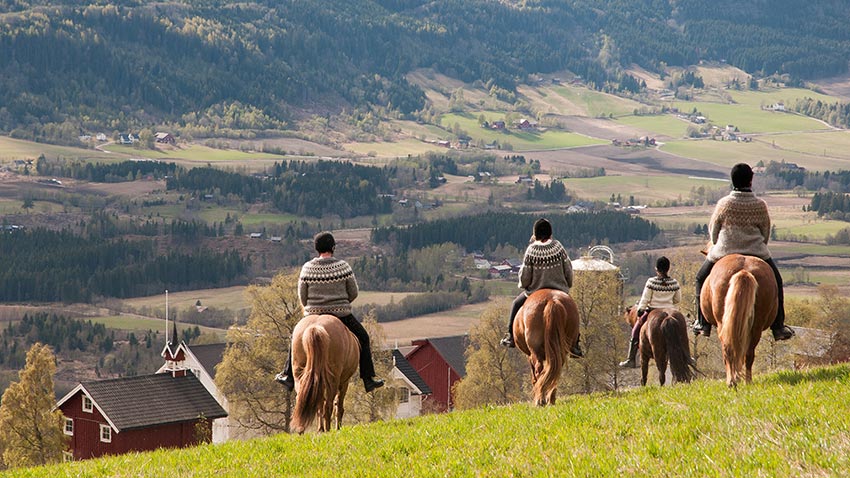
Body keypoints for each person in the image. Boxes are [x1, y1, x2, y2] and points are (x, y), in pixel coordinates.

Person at [693, 163, 794, 341]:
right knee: (777, 281)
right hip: (757, 252)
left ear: (732, 180)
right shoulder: (760, 205)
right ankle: (778, 327)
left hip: (724, 251)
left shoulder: (724, 203)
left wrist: (717, 244)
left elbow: (713, 231)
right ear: (751, 180)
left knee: (700, 278)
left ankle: (702, 323)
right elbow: (765, 232)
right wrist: (757, 246)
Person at [276, 232, 384, 393]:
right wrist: (340, 304)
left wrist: (313, 308)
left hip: (312, 314)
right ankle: (368, 379)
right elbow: (353, 292)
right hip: (341, 315)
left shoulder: (307, 268)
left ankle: (288, 376)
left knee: (295, 338)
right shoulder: (343, 267)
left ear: (316, 249)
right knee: (363, 338)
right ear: (333, 247)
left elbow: (302, 297)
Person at [500, 218, 583, 357]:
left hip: (535, 291)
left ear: (535, 234)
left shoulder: (531, 250)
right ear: (550, 233)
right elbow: (568, 270)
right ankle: (575, 344)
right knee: (573, 310)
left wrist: (524, 285)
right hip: (560, 290)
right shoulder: (558, 247)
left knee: (515, 304)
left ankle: (510, 337)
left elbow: (525, 278)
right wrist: (567, 284)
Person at [619, 256, 681, 368]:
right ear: (668, 269)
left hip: (653, 310)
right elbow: (677, 299)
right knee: (681, 330)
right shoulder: (674, 283)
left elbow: (645, 299)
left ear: (656, 269)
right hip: (669, 311)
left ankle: (631, 359)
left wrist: (640, 310)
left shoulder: (651, 282)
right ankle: (686, 355)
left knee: (635, 332)